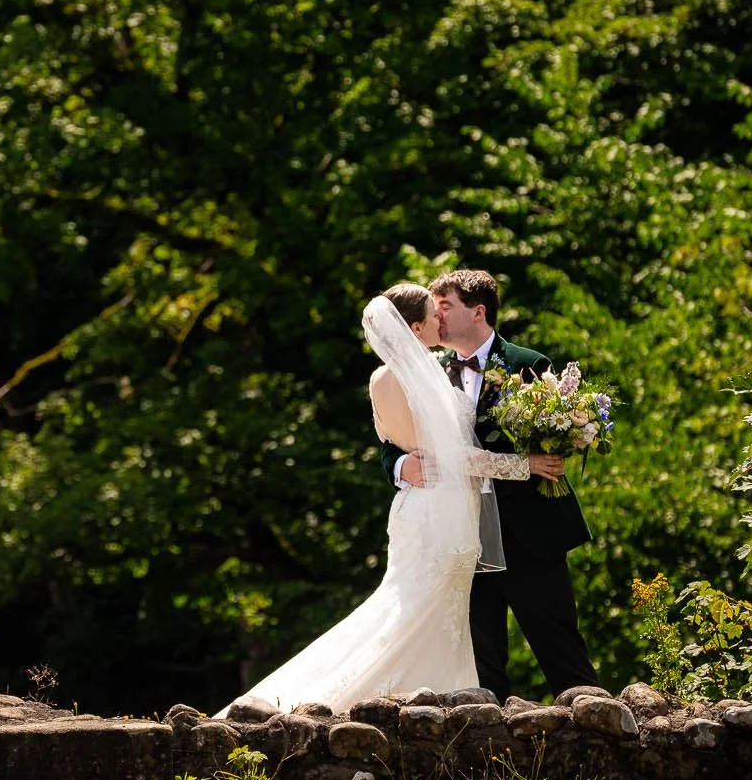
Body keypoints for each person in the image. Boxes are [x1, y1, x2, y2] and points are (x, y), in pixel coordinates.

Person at [219, 284, 554, 716]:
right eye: (434, 317)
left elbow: (401, 441)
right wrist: (526, 465)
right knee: (419, 618)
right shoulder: (421, 377)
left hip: (420, 511)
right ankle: (352, 706)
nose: (441, 322)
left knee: (418, 614)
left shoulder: (384, 378)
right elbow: (453, 457)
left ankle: (434, 716)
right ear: (415, 327)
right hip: (441, 516)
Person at [387, 270, 601, 701]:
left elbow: (557, 435)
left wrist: (554, 449)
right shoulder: (426, 370)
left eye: (444, 306)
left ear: (478, 311)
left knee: (560, 647)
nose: (436, 315)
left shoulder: (529, 364)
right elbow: (393, 436)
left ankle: (602, 737)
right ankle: (492, 759)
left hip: (528, 532)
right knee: (481, 662)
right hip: (461, 537)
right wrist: (399, 465)